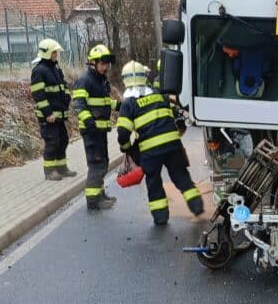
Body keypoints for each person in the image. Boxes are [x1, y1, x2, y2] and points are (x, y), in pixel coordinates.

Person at [116, 60, 204, 226]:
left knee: (154, 182)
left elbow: (123, 133)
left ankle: (161, 217)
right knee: (180, 175)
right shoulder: (158, 93)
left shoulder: (128, 104)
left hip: (150, 151)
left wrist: (126, 148)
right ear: (144, 76)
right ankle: (196, 205)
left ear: (125, 80)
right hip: (173, 145)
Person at [72, 44, 119, 210]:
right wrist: (89, 122)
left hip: (100, 130)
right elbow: (79, 104)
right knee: (96, 163)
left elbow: (103, 103)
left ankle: (99, 194)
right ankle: (93, 201)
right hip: (92, 131)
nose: (106, 67)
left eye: (107, 63)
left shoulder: (101, 80)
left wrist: (119, 105)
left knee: (103, 162)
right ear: (93, 63)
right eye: (103, 63)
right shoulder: (84, 80)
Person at [29, 39, 76, 180]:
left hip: (59, 114)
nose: (57, 55)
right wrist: (48, 113)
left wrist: (67, 98)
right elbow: (39, 94)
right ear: (48, 53)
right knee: (52, 142)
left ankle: (61, 168)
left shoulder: (55, 68)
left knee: (63, 140)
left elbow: (63, 86)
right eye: (55, 52)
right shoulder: (39, 71)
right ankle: (49, 171)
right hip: (48, 116)